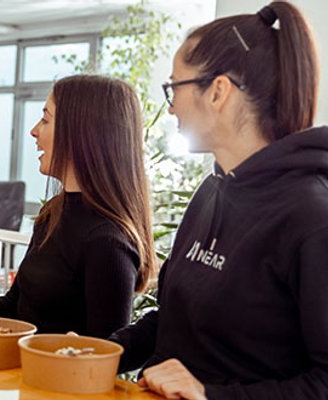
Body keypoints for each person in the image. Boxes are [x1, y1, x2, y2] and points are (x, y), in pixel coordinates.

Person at [109, 2, 328, 399]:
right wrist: (100, 352)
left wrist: (209, 394)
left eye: (174, 87)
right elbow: (174, 322)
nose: (170, 105)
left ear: (218, 91)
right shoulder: (212, 190)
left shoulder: (312, 216)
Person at [0, 75, 156, 336]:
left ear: (81, 133)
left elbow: (106, 357)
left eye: (46, 119)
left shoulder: (108, 240)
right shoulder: (54, 213)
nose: (34, 130)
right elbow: (15, 305)